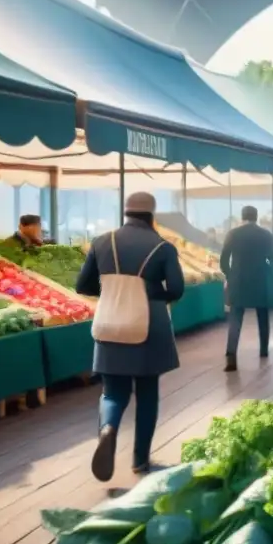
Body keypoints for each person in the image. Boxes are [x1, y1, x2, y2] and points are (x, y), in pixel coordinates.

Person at [76, 192, 185, 481]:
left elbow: (82, 284)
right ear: (152, 215)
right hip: (147, 325)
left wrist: (115, 290)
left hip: (109, 322)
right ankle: (140, 460)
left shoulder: (101, 241)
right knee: (147, 393)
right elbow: (176, 289)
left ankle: (108, 428)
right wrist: (149, 292)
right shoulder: (162, 247)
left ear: (126, 212)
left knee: (112, 392)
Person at [220, 206, 273, 373]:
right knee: (263, 316)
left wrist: (230, 274)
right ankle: (263, 350)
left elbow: (224, 259)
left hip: (238, 280)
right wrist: (272, 273)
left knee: (236, 319)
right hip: (261, 280)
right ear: (256, 217)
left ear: (242, 217)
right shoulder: (266, 235)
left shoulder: (233, 234)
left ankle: (231, 357)